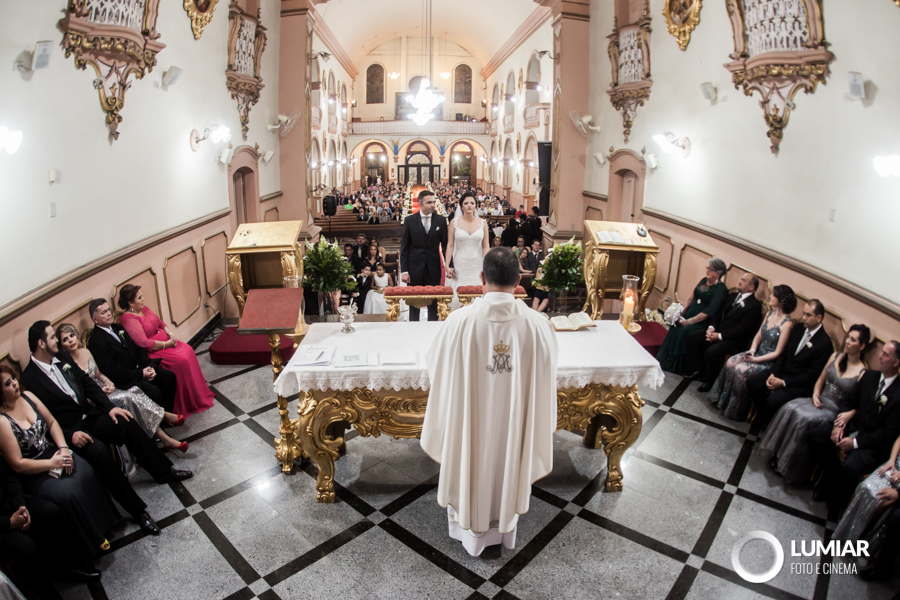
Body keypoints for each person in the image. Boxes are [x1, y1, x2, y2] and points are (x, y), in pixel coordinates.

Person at [421, 248, 558, 556]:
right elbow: (548, 376)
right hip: (513, 428)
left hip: (470, 427)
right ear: (519, 279)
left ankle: (466, 531)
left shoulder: (459, 322)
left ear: (481, 278)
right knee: (507, 461)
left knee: (469, 459)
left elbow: (435, 366)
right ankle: (503, 533)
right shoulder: (537, 325)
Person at [20, 322, 190, 535]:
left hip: (90, 415)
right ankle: (138, 511)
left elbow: (87, 383)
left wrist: (110, 408)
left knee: (126, 421)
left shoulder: (61, 358)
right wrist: (70, 435)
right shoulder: (29, 379)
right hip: (72, 432)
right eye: (53, 337)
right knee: (100, 453)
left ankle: (164, 471)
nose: (56, 340)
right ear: (41, 343)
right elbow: (44, 420)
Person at [0, 366, 118, 559]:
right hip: (34, 470)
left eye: (13, 378)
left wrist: (63, 448)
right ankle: (90, 540)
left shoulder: (28, 395)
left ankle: (105, 523)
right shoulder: (2, 421)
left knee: (85, 470)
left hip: (53, 452)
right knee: (66, 493)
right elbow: (18, 464)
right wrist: (52, 464)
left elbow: (53, 423)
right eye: (7, 383)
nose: (14, 383)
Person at [758, 324, 869, 484]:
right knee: (790, 408)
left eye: (853, 340)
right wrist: (816, 395)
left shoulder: (862, 372)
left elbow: (855, 402)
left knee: (804, 419)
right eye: (848, 338)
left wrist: (847, 413)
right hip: (818, 399)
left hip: (832, 409)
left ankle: (788, 464)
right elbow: (820, 381)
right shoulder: (835, 356)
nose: (848, 342)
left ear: (862, 346)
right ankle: (778, 453)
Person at [56, 323, 186, 452]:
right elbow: (80, 394)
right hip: (96, 400)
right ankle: (164, 417)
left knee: (135, 391)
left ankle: (164, 438)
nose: (70, 341)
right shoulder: (66, 365)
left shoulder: (86, 351)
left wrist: (108, 382)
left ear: (76, 336)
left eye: (71, 336)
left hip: (107, 389)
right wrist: (100, 391)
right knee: (129, 397)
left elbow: (99, 374)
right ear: (61, 345)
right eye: (65, 340)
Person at [810, 341, 900, 518]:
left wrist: (856, 443)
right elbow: (849, 402)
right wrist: (838, 424)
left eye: (886, 355)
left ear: (896, 362)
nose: (880, 357)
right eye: (881, 352)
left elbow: (887, 433)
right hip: (853, 425)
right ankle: (830, 478)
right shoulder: (869, 376)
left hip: (871, 443)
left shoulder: (898, 394)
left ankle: (835, 500)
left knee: (851, 467)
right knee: (816, 435)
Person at [0, 460, 100, 599]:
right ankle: (47, 594)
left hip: (8, 503)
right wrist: (9, 522)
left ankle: (67, 568)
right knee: (26, 548)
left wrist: (20, 505)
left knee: (51, 512)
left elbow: (8, 477)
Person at [118, 285, 215, 416]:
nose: (143, 299)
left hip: (167, 343)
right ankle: (184, 403)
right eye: (140, 298)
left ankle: (197, 395)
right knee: (182, 360)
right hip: (154, 351)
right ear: (130, 302)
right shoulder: (128, 319)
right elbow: (143, 343)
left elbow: (159, 322)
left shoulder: (143, 309)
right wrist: (166, 344)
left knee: (188, 350)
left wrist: (170, 333)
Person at [707, 285, 795, 421]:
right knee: (730, 363)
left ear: (781, 300)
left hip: (768, 360)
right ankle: (720, 400)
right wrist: (752, 350)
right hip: (756, 353)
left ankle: (736, 408)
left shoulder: (787, 324)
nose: (770, 297)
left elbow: (778, 352)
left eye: (773, 295)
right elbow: (758, 335)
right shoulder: (770, 313)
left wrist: (756, 360)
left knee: (740, 370)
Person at [748, 299, 834, 429]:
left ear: (819, 318)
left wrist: (783, 383)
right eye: (804, 314)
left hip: (797, 383)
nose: (804, 318)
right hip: (782, 373)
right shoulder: (798, 328)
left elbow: (811, 375)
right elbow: (784, 355)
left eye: (808, 315)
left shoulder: (824, 344)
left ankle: (766, 420)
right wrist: (773, 374)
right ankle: (763, 414)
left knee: (773, 400)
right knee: (753, 382)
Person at [87, 298, 177, 414]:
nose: (109, 314)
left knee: (169, 377)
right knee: (154, 392)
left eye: (109, 310)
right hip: (125, 379)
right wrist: (140, 374)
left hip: (140, 368)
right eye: (104, 312)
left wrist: (148, 367)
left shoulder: (117, 328)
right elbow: (112, 371)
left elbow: (137, 348)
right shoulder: (96, 341)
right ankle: (160, 422)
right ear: (95, 319)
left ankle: (168, 414)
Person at [832, 432, 900, 581]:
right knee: (866, 487)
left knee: (881, 500)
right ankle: (848, 533)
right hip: (896, 465)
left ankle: (865, 544)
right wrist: (892, 460)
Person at [685, 273, 763, 392]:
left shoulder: (754, 306)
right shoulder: (732, 296)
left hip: (733, 341)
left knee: (712, 352)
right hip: (718, 332)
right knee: (692, 336)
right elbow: (718, 314)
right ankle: (699, 370)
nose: (740, 281)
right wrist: (711, 328)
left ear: (752, 287)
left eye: (743, 280)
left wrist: (720, 336)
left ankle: (710, 381)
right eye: (741, 278)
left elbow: (743, 329)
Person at [657, 258, 729, 375]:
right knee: (675, 326)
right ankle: (665, 359)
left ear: (718, 273)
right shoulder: (703, 280)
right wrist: (681, 313)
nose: (707, 271)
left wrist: (689, 322)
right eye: (708, 268)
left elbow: (709, 311)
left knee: (683, 331)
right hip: (690, 312)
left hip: (701, 320)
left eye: (711, 269)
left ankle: (680, 366)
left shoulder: (721, 289)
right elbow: (691, 298)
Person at [400, 190, 448, 322]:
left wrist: (449, 265)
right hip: (414, 267)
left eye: (434, 202)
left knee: (433, 301)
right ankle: (413, 328)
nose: (433, 205)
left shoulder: (441, 221)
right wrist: (404, 270)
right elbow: (404, 248)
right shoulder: (409, 221)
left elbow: (445, 246)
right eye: (429, 202)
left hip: (433, 266)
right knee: (414, 301)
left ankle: (432, 328)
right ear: (420, 203)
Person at [444, 192, 489, 309]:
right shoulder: (454, 223)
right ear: (461, 206)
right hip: (461, 262)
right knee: (459, 290)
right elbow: (450, 245)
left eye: (472, 203)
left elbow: (485, 245)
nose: (469, 205)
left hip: (478, 261)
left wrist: (488, 263)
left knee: (478, 290)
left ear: (475, 206)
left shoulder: (483, 223)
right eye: (466, 203)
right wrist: (447, 265)